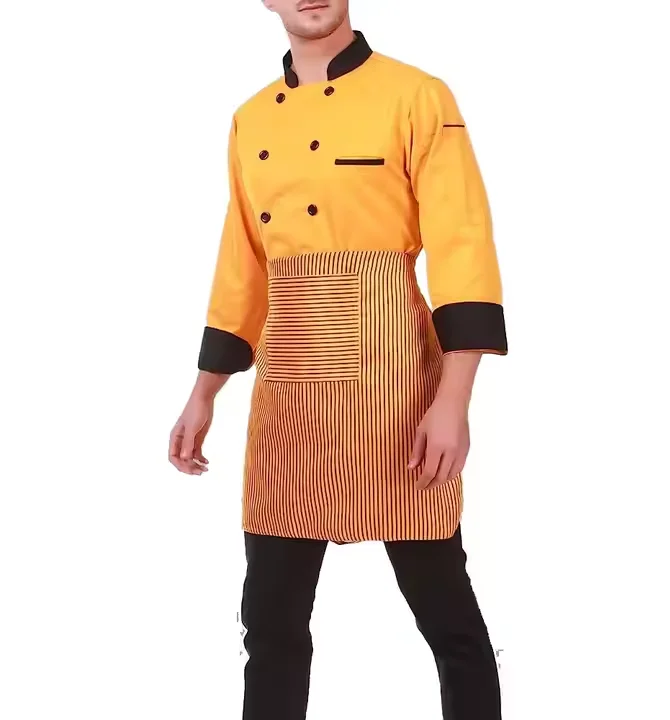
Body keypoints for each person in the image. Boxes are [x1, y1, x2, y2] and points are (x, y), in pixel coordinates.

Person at [168, 1, 508, 718]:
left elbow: (463, 243)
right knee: (270, 623)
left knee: (446, 615)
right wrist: (204, 391)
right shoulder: (250, 119)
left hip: (395, 379)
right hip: (290, 383)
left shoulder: (417, 95)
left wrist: (453, 401)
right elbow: (243, 264)